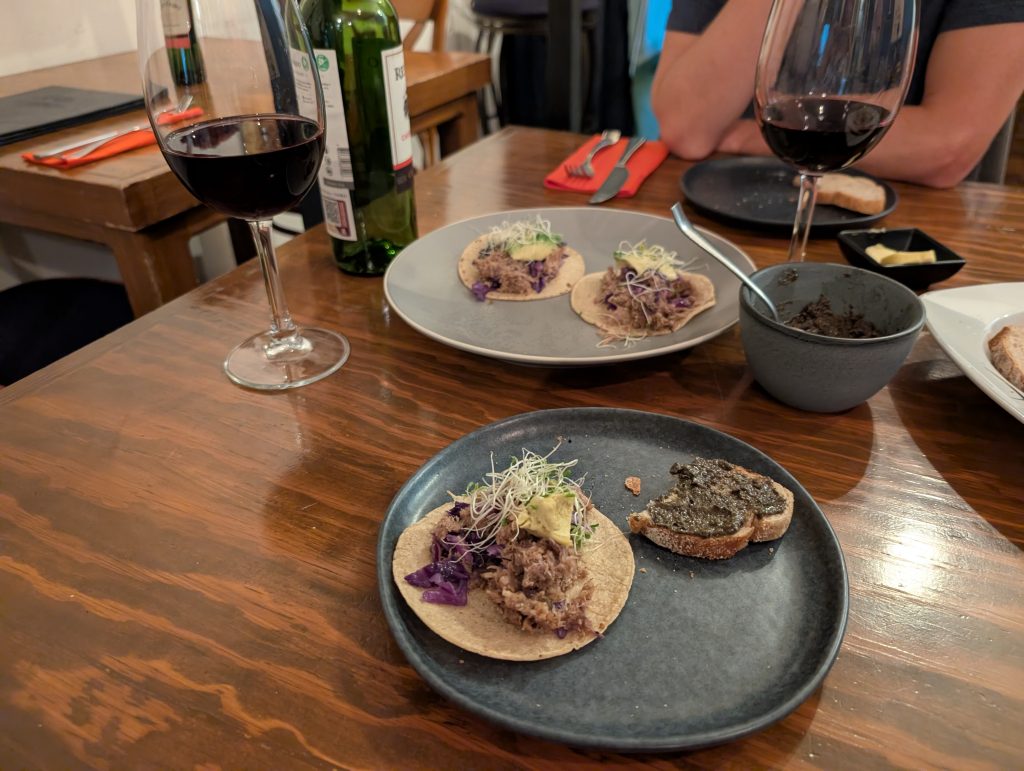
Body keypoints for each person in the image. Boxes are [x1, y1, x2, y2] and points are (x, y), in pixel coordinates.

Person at [651, 0, 1024, 187]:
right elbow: (687, 128)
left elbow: (948, 149)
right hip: (723, 200)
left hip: (897, 234)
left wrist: (735, 137)